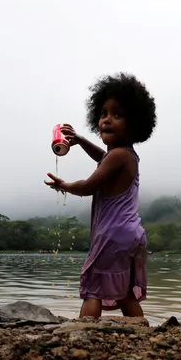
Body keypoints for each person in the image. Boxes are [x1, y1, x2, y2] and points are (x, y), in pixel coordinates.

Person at [44, 73, 156, 319]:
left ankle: (84, 331)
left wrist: (64, 185)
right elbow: (101, 158)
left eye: (117, 115)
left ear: (135, 124)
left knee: (93, 287)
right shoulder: (124, 156)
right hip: (130, 233)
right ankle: (139, 328)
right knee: (124, 290)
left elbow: (88, 186)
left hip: (113, 234)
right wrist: (81, 140)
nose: (107, 119)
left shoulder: (117, 157)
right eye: (104, 113)